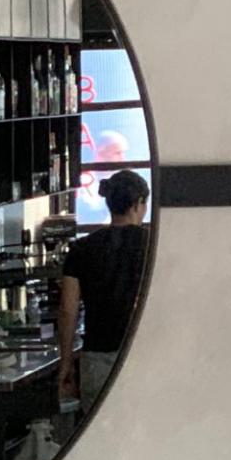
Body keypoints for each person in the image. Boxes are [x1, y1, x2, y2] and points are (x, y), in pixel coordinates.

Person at [56, 170, 151, 411]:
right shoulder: (153, 246)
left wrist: (66, 363)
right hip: (144, 353)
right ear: (138, 203)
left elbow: (67, 310)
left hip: (97, 358)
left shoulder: (81, 248)